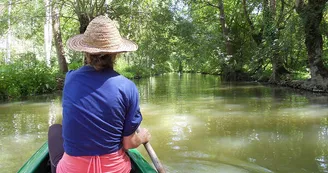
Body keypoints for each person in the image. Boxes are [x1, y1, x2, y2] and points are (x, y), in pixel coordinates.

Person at [48, 15, 151, 173]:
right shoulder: (128, 87)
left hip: (73, 170)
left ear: (86, 53)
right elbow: (129, 144)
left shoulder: (70, 79)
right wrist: (142, 137)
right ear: (116, 54)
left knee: (55, 129)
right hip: (115, 170)